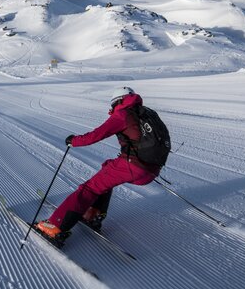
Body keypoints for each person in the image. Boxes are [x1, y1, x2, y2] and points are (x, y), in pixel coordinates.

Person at [34, 86, 161, 243]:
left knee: (89, 189)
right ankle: (93, 213)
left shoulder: (123, 114)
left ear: (118, 101)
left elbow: (96, 135)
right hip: (152, 169)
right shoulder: (147, 113)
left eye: (112, 105)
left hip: (132, 166)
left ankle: (54, 227)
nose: (112, 109)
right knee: (108, 168)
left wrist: (74, 141)